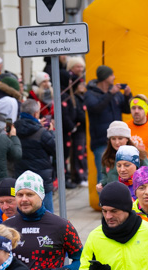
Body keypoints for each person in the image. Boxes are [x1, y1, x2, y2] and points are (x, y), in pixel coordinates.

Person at [85, 65, 132, 184]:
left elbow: (126, 110)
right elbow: (96, 108)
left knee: (121, 173)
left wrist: (127, 96)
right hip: (101, 141)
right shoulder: (90, 94)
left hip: (119, 142)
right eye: (111, 75)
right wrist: (110, 94)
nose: (114, 77)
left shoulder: (115, 92)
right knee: (104, 177)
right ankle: (103, 202)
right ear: (105, 77)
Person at [14, 99, 57, 212]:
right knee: (47, 214)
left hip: (20, 179)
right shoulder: (42, 133)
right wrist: (51, 132)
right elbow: (56, 150)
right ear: (36, 114)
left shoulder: (13, 130)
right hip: (42, 181)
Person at [64, 57, 89, 187]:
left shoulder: (81, 96)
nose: (82, 86)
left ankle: (82, 175)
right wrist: (74, 125)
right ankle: (78, 176)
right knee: (77, 153)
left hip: (80, 128)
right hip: (75, 128)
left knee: (82, 153)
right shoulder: (71, 96)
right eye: (77, 66)